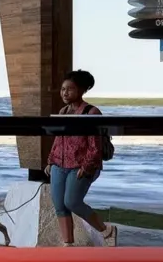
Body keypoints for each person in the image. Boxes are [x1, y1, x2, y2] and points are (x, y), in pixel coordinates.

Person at [49, 69, 117, 246]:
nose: (65, 93)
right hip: (59, 165)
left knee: (72, 202)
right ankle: (68, 244)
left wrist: (86, 167)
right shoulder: (63, 112)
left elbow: (95, 146)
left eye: (70, 89)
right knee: (60, 206)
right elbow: (58, 140)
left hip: (81, 166)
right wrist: (50, 161)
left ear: (81, 90)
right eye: (63, 89)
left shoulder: (91, 112)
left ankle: (106, 231)